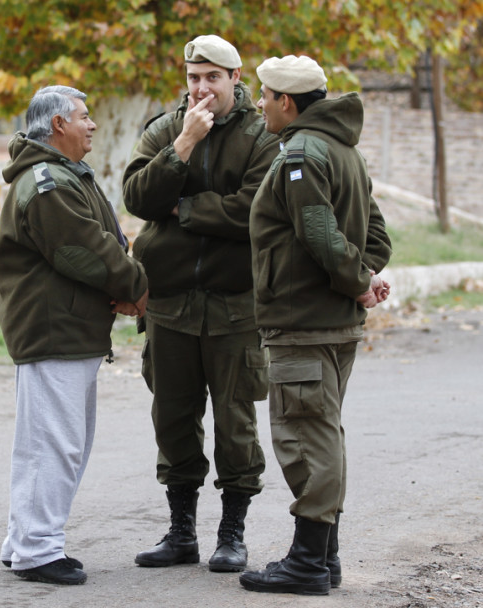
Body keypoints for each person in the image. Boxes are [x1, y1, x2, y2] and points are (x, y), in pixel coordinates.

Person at [123, 35, 279, 572]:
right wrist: (184, 145)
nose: (201, 87)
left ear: (238, 78)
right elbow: (139, 198)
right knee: (173, 418)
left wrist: (182, 209)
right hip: (168, 305)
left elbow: (255, 211)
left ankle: (232, 533)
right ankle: (181, 531)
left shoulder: (261, 136)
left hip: (236, 306)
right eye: (193, 77)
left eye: (213, 76)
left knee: (235, 422)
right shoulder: (166, 130)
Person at [239, 55, 392, 595]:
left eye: (264, 97)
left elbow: (318, 232)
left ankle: (306, 563)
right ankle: (324, 560)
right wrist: (365, 275)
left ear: (286, 102)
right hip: (331, 322)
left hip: (303, 320)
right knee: (323, 433)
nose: (259, 105)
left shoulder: (302, 151)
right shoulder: (345, 149)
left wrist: (355, 280)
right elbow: (377, 235)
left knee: (305, 436)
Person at [0, 85, 149, 585]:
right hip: (53, 328)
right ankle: (37, 549)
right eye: (84, 117)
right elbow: (84, 251)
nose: (93, 125)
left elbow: (102, 242)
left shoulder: (60, 175)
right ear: (58, 124)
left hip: (69, 328)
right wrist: (137, 288)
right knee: (53, 444)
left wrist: (126, 284)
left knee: (53, 441)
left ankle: (25, 541)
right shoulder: (47, 182)